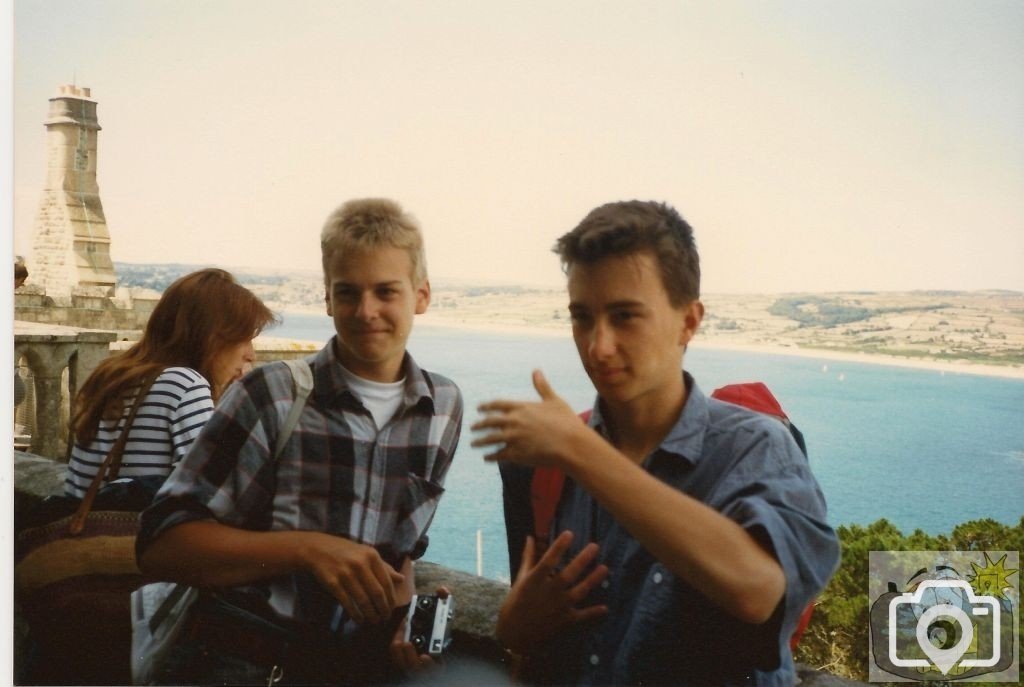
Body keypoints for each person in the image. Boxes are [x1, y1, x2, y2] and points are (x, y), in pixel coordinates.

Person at [473, 200, 840, 686]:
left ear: (688, 321)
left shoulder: (754, 448)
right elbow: (529, 637)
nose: (597, 346)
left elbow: (758, 591)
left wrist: (581, 452)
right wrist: (514, 626)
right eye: (582, 317)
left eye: (625, 317)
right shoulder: (550, 465)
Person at [137, 198, 463, 685]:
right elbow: (161, 546)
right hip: (244, 663)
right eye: (348, 292)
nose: (366, 310)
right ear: (328, 299)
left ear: (421, 295)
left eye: (386, 292)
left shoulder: (442, 408)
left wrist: (404, 623)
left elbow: (401, 553)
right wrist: (308, 550)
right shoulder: (270, 394)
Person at [65, 268, 275, 499]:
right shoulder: (185, 384)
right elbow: (210, 493)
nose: (251, 354)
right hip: (132, 531)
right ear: (212, 337)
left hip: (86, 527)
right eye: (243, 339)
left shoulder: (114, 374)